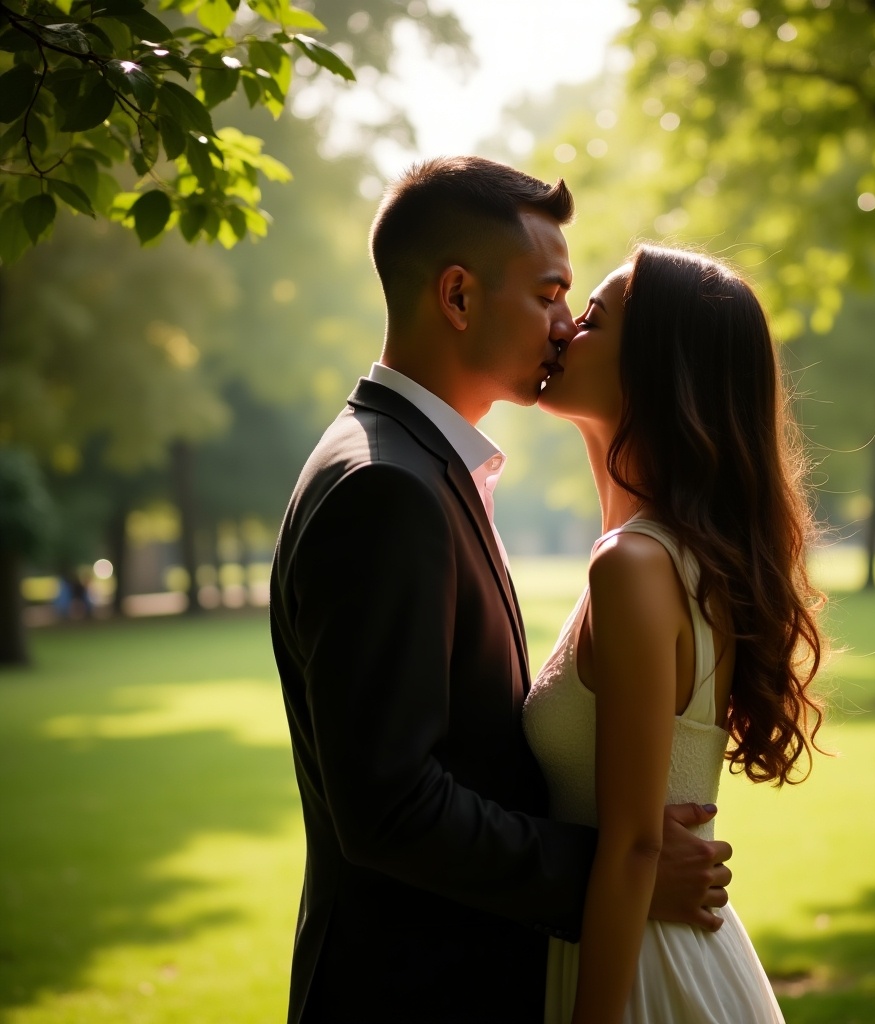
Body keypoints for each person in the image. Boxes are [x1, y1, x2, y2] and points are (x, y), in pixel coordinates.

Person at [269, 160, 735, 1024]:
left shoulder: (414, 465)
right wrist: (609, 869)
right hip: (411, 989)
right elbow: (391, 806)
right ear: (458, 297)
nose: (565, 327)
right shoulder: (387, 487)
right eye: (551, 293)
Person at [524, 244, 827, 1024]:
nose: (560, 331)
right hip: (665, 954)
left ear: (655, 366)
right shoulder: (672, 558)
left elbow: (634, 847)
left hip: (637, 976)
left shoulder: (635, 566)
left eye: (589, 319)